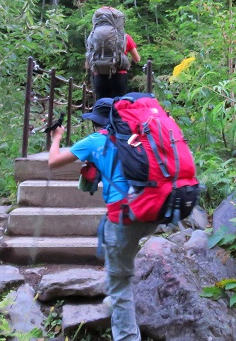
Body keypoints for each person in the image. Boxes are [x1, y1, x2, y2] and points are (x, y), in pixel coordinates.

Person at [48, 98, 156, 341]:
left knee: (119, 283)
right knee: (121, 268)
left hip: (123, 214)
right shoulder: (139, 136)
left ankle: (126, 331)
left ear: (99, 123)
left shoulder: (97, 140)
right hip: (152, 209)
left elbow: (53, 162)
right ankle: (116, 298)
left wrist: (56, 137)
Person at [92, 32, 141, 99]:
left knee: (102, 105)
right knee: (117, 105)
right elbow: (137, 59)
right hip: (119, 76)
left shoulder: (94, 37)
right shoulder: (125, 37)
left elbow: (87, 64)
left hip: (99, 75)